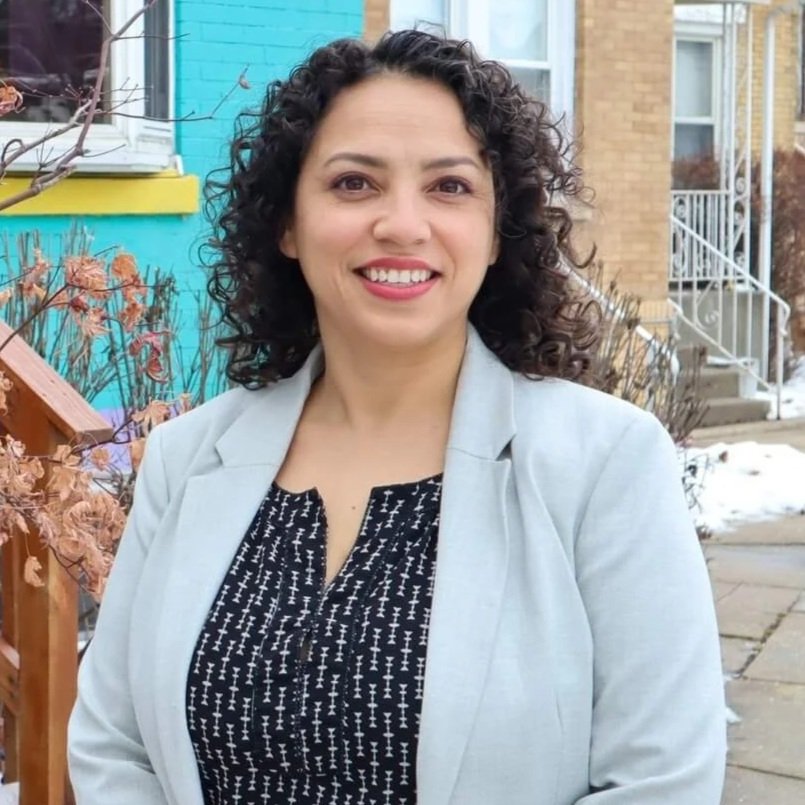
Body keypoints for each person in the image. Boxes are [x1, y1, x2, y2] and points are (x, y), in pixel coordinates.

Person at [68, 29, 726, 805]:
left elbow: (660, 781)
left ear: (493, 233)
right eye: (354, 184)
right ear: (287, 223)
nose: (402, 225)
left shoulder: (605, 462)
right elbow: (114, 745)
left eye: (448, 187)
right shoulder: (185, 458)